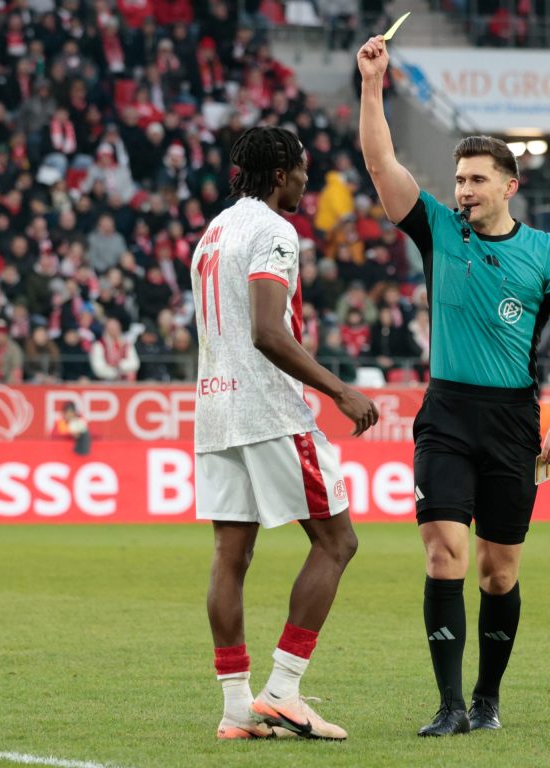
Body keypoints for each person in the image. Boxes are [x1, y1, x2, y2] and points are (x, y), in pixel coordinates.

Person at [358, 36, 550, 737]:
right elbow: (380, 164)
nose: (463, 190)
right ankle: (449, 705)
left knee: (498, 571)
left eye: (477, 180)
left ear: (508, 186)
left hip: (513, 419)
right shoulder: (438, 230)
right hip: (446, 414)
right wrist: (373, 85)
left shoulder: (548, 255)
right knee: (443, 554)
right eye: (459, 179)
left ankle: (488, 700)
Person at [191, 125, 379, 742]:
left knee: (230, 555)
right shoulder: (273, 230)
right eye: (301, 170)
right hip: (269, 411)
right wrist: (339, 389)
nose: (305, 181)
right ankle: (283, 691)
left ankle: (236, 709)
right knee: (337, 541)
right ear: (280, 175)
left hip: (215, 409)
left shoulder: (214, 231)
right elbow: (268, 332)